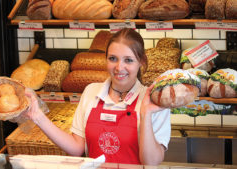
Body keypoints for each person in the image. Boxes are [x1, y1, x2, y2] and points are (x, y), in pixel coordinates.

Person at [24, 28, 171, 165]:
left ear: (142, 62)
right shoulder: (91, 92)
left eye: (128, 60)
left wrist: (145, 115)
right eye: (113, 58)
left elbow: (151, 162)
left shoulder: (153, 102)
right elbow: (76, 148)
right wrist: (38, 116)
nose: (119, 67)